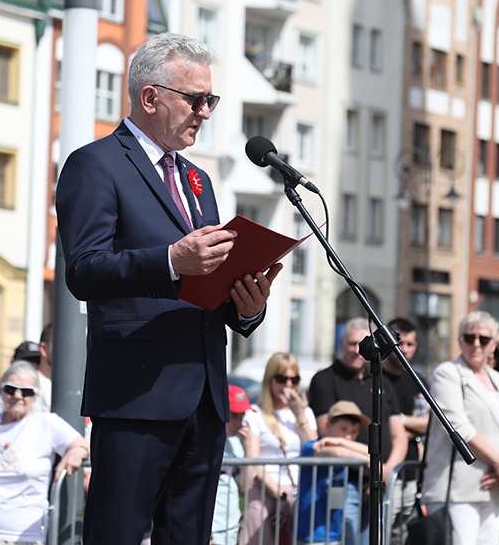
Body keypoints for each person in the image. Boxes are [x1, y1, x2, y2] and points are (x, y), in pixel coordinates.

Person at [55, 31, 280, 545]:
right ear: (150, 96)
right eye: (195, 99)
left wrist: (246, 306)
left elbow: (210, 283)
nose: (205, 112)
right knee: (118, 534)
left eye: (211, 100)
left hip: (203, 397)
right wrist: (171, 260)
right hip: (137, 394)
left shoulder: (199, 180)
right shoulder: (96, 165)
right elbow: (84, 270)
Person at [0, 360, 89, 544]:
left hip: (22, 535)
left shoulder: (47, 423)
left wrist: (76, 452)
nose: (18, 396)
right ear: (0, 391)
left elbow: (83, 445)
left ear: (36, 396)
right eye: (10, 389)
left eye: (27, 391)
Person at [421, 311, 499, 545]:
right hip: (459, 487)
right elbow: (457, 426)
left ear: (494, 345)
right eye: (469, 338)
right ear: (459, 341)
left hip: (496, 486)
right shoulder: (447, 373)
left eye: (484, 339)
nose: (476, 344)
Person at [307, 317, 406, 545]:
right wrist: (372, 471)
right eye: (351, 343)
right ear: (340, 344)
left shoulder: (381, 380)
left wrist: (386, 472)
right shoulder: (325, 379)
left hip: (381, 480)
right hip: (343, 480)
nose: (355, 350)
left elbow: (398, 434)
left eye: (360, 343)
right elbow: (327, 434)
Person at [243, 353, 318, 545]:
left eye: (294, 379)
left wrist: (299, 414)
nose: (288, 385)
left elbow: (314, 450)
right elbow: (254, 460)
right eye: (281, 378)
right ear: (270, 380)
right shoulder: (255, 413)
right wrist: (281, 497)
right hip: (266, 490)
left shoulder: (305, 412)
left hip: (299, 490)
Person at [296, 401, 371, 545]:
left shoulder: (343, 447)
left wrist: (339, 441)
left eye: (354, 432)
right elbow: (337, 453)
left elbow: (371, 454)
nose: (348, 436)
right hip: (310, 532)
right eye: (343, 429)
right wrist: (361, 457)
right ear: (328, 425)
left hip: (334, 531)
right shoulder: (313, 447)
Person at [383, 317, 428, 545]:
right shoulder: (375, 377)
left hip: (411, 474)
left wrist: (399, 422)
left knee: (402, 536)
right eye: (400, 343)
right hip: (384, 472)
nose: (405, 349)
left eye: (410, 344)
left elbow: (430, 423)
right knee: (381, 533)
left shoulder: (419, 381)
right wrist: (409, 426)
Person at [211, 385, 255, 545]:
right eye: (234, 415)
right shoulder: (205, 444)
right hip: (211, 529)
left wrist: (249, 449)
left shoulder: (237, 443)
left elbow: (245, 486)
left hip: (231, 526)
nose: (239, 423)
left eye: (242, 416)